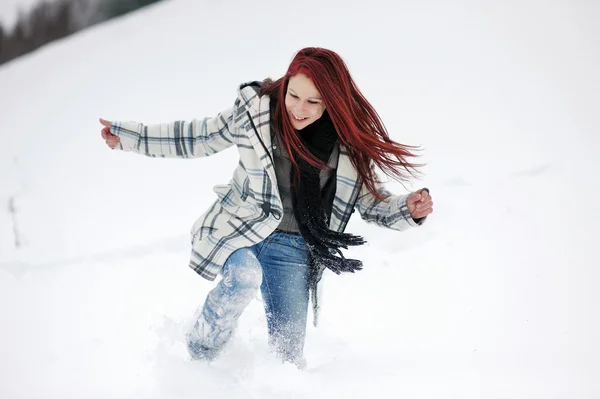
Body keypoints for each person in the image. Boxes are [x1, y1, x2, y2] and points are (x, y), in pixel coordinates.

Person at [99, 47, 434, 368]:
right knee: (243, 278)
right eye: (293, 95)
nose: (299, 109)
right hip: (241, 228)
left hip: (293, 247)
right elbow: (199, 137)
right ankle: (199, 357)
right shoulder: (257, 114)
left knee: (286, 361)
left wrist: (407, 209)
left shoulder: (348, 147)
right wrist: (132, 136)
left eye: (313, 101)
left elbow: (372, 203)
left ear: (332, 102)